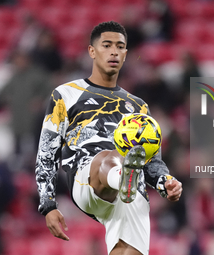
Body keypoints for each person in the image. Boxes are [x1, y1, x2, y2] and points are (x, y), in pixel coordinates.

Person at [35, 21, 182, 255]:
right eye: (106, 45)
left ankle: (127, 179)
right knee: (113, 157)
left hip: (133, 190)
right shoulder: (65, 94)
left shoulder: (139, 106)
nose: (114, 51)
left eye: (120, 46)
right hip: (89, 178)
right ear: (92, 51)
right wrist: (48, 204)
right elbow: (47, 152)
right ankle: (123, 177)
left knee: (127, 250)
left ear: (125, 54)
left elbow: (152, 161)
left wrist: (166, 183)